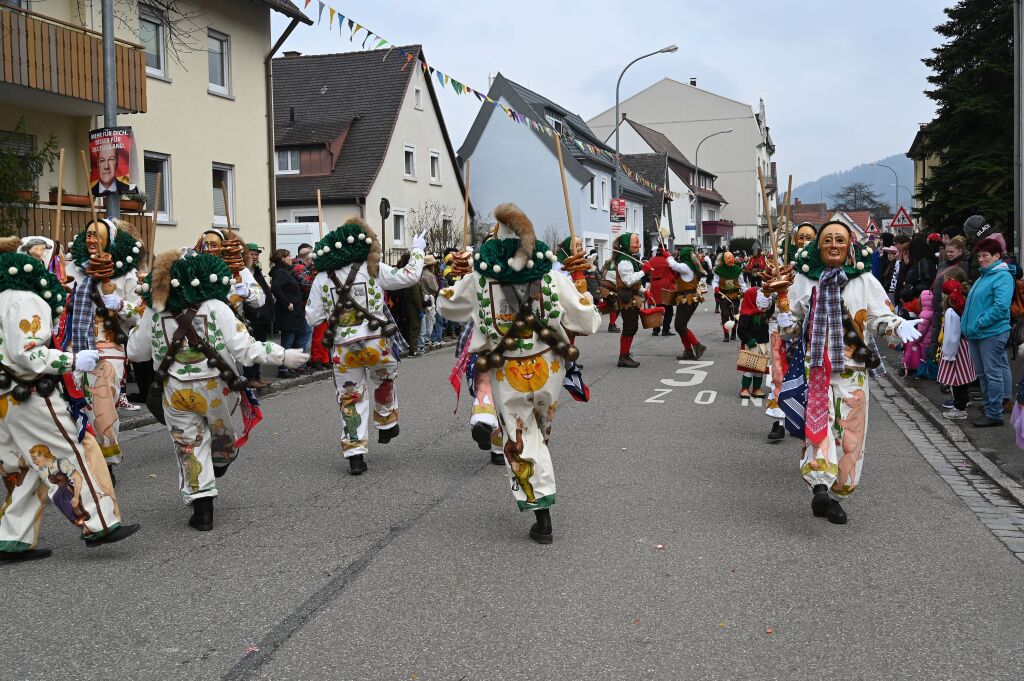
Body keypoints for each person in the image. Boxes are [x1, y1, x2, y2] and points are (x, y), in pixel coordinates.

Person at [436, 203, 601, 544]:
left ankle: (542, 516)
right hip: (549, 366)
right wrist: (582, 289)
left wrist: (457, 277)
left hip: (505, 367)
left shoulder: (480, 278)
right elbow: (588, 322)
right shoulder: (552, 275)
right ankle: (539, 486)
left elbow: (447, 307)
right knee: (540, 427)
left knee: (521, 433)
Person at [128, 251, 307, 531]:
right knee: (222, 433)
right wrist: (282, 356)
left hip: (174, 389)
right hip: (216, 385)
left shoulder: (154, 310)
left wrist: (135, 327)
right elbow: (244, 348)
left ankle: (203, 510)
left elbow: (135, 352)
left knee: (188, 444)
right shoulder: (215, 306)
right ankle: (223, 457)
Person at [0, 235, 140, 562]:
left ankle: (11, 538)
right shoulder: (25, 299)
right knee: (67, 454)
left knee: (24, 466)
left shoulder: (2, 296)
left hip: (6, 396)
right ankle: (99, 522)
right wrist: (74, 360)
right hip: (31, 393)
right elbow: (28, 354)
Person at [778, 221, 922, 524]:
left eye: (839, 240)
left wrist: (898, 325)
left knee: (851, 435)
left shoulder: (865, 281)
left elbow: (878, 318)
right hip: (815, 367)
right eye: (827, 239)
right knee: (818, 426)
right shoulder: (804, 281)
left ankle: (835, 492)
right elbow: (791, 329)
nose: (833, 245)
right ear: (817, 246)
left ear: (849, 246)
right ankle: (819, 485)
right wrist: (779, 310)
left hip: (852, 370)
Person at [305, 218, 427, 476]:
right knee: (385, 377)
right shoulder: (372, 268)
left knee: (350, 397)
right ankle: (386, 421)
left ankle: (355, 455)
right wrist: (417, 248)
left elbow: (313, 318)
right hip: (377, 343)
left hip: (343, 350)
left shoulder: (322, 278)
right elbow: (410, 276)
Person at [64, 218, 146, 484]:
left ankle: (106, 461)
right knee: (72, 405)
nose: (91, 240)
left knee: (102, 404)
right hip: (74, 348)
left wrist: (120, 303)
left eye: (97, 236)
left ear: (109, 241)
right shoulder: (72, 270)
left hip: (108, 347)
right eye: (88, 234)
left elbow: (139, 315)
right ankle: (82, 459)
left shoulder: (125, 274)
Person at [962, 235, 1015, 427]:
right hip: (978, 332)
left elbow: (1001, 307)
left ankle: (994, 413)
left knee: (992, 373)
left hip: (991, 332)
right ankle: (990, 408)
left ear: (996, 256)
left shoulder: (1003, 276)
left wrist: (980, 323)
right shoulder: (985, 275)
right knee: (983, 374)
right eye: (979, 256)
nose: (981, 259)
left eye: (985, 256)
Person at [655, 244, 707, 360]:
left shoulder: (685, 266)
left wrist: (668, 256)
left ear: (683, 256)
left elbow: (674, 265)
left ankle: (697, 345)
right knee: (681, 325)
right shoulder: (691, 266)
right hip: (687, 298)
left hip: (687, 298)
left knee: (679, 325)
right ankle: (688, 351)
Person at [196, 228, 266, 311]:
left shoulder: (238, 269)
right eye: (206, 245)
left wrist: (248, 293)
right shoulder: (195, 268)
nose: (209, 249)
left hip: (231, 319)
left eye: (214, 245)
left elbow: (261, 299)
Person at [937, 272, 976, 420]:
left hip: (955, 350)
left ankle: (959, 408)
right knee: (962, 379)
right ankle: (961, 404)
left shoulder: (951, 312)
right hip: (964, 347)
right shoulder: (961, 306)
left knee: (957, 380)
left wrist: (948, 354)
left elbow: (951, 336)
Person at [604, 233, 646, 367]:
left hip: (632, 296)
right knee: (629, 328)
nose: (638, 245)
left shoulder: (629, 259)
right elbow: (628, 281)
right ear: (627, 244)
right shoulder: (624, 261)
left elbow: (634, 282)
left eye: (638, 242)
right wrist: (644, 271)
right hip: (626, 298)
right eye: (635, 242)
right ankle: (623, 357)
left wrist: (645, 291)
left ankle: (625, 354)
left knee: (632, 327)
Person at [269, 249, 311, 379]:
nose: (291, 258)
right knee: (287, 341)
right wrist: (287, 303)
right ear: (282, 258)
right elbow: (275, 288)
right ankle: (283, 369)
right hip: (288, 313)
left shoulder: (286, 271)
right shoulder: (281, 273)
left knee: (303, 333)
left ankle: (294, 365)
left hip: (296, 313)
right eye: (289, 256)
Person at [242, 243, 274, 389]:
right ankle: (250, 377)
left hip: (262, 317)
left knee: (260, 348)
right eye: (252, 254)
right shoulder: (242, 272)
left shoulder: (257, 270)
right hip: (251, 317)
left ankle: (257, 375)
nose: (254, 256)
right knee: (250, 349)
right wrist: (254, 312)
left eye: (256, 254)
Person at [736, 287, 773, 398]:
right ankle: (745, 388)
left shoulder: (764, 313)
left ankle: (757, 388)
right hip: (751, 344)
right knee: (749, 368)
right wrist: (749, 340)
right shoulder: (746, 313)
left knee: (759, 369)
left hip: (763, 343)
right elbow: (741, 330)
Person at [392, 252, 424, 356]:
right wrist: (420, 309)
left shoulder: (403, 272)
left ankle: (410, 347)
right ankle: (413, 350)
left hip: (404, 306)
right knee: (414, 328)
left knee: (408, 327)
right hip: (412, 307)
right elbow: (416, 296)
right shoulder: (411, 276)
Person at [712, 251, 747, 342]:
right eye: (728, 258)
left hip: (735, 296)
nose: (731, 259)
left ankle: (734, 333)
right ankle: (726, 334)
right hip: (723, 295)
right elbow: (715, 281)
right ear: (724, 260)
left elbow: (742, 283)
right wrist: (715, 287)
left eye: (732, 257)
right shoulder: (719, 270)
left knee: (734, 315)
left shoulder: (737, 270)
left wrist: (745, 293)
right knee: (724, 315)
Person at [641, 246, 676, 336]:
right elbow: (675, 271)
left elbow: (648, 272)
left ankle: (655, 330)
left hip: (655, 286)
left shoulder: (651, 260)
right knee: (668, 309)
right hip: (666, 286)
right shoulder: (668, 260)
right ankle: (665, 329)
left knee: (657, 308)